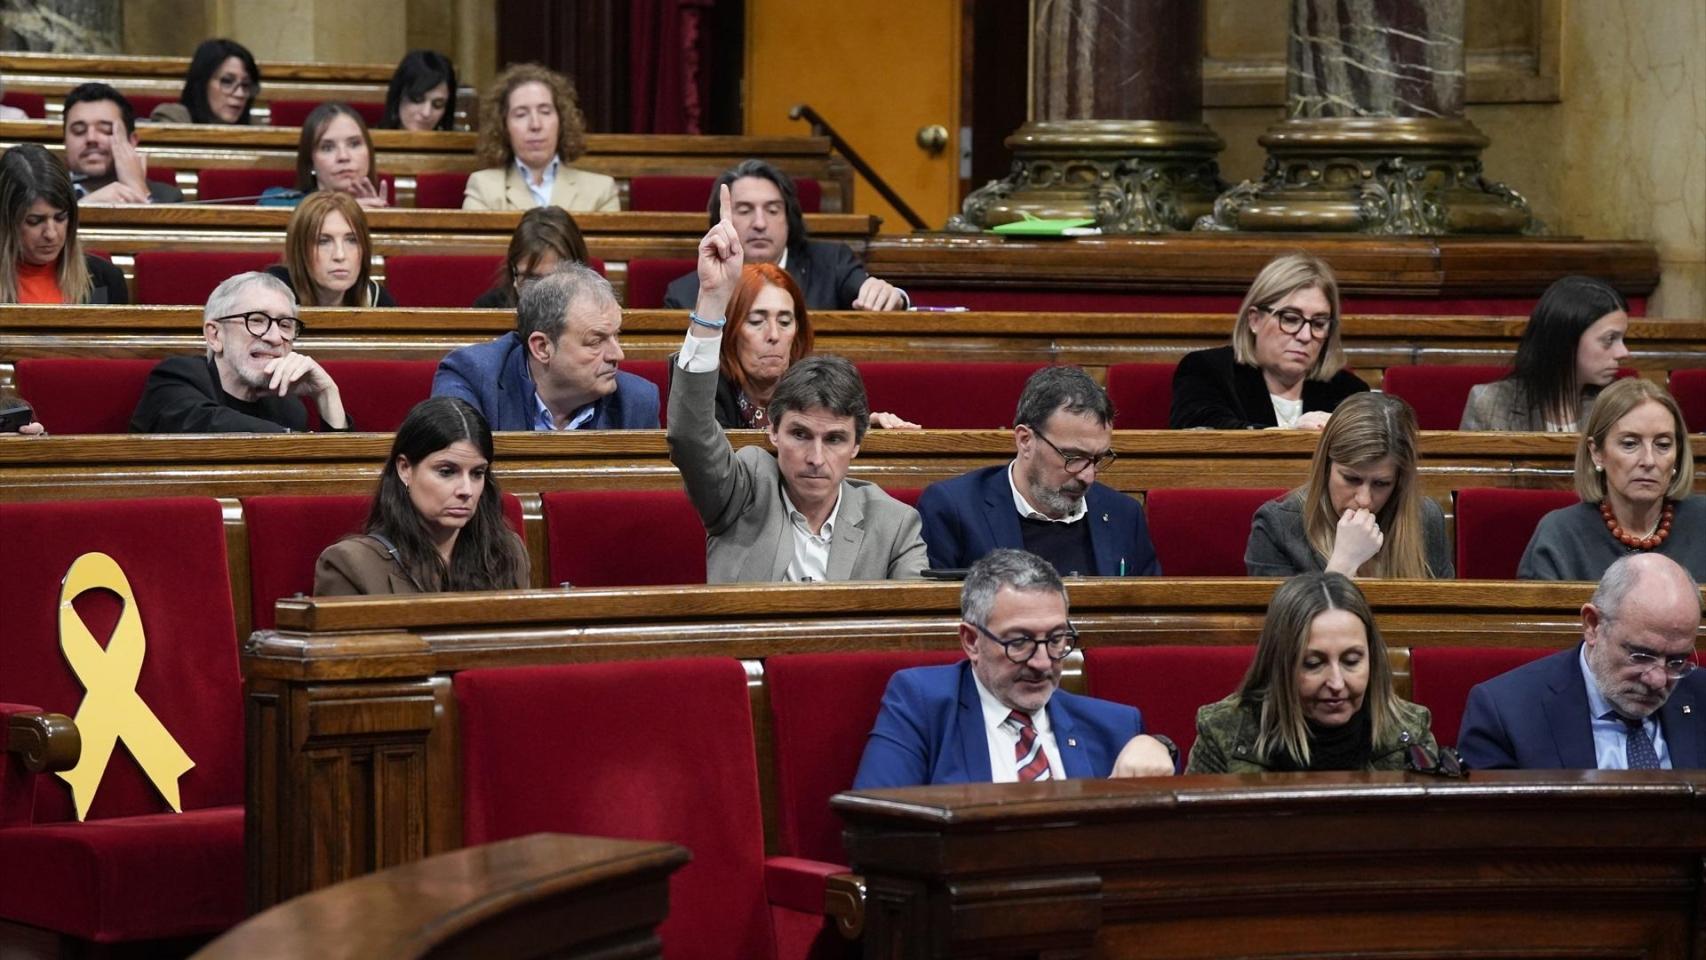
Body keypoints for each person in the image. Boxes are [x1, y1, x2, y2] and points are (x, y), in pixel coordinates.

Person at [669, 184, 926, 582]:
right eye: (800, 435)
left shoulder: (895, 525)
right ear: (772, 430)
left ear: (857, 444)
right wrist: (713, 299)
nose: (815, 458)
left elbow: (909, 618)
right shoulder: (744, 492)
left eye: (835, 439)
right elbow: (690, 435)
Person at [853, 549, 1178, 787]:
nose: (1042, 662)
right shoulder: (922, 705)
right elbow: (877, 828)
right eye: (1020, 642)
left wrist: (1160, 746)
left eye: (1056, 639)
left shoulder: (1115, 727)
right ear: (971, 641)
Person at [1458, 553, 1703, 770]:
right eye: (1641, 655)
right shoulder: (1505, 713)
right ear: (1593, 625)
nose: (1658, 680)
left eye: (1676, 661)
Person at [1187, 572, 1442, 773]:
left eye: (1351, 661)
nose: (1336, 683)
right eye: (1313, 663)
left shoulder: (1408, 733)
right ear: (1280, 665)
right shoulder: (1223, 733)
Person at [918, 366, 1160, 577]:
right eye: (1074, 457)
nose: (1088, 476)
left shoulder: (1123, 515)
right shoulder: (954, 510)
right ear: (1025, 440)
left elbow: (1149, 609)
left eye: (1098, 458)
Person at [315, 397, 530, 595]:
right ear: (405, 469)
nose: (467, 490)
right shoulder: (350, 565)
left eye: (477, 473)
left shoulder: (507, 553)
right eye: (446, 472)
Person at [683, 262, 918, 430]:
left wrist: (861, 430)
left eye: (785, 322)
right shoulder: (707, 389)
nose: (774, 335)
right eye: (756, 321)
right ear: (731, 330)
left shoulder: (822, 384)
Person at [1246, 392, 1453, 578]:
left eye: (1381, 483)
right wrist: (1343, 564)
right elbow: (1282, 611)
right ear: (1326, 467)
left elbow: (1444, 608)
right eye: (1351, 479)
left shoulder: (1425, 518)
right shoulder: (1277, 526)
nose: (1364, 500)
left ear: (1399, 481)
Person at [662, 159, 908, 311]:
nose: (760, 223)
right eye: (745, 210)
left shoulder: (832, 264)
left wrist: (893, 297)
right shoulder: (685, 294)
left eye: (772, 210)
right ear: (721, 221)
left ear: (789, 218)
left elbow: (874, 295)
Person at [433, 263, 658, 430]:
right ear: (542, 348)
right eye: (596, 341)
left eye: (616, 336)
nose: (618, 354)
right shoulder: (472, 378)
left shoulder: (636, 401)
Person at [1517, 378, 1703, 580]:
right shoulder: (1560, 534)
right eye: (1630, 444)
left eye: (1663, 445)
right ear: (1597, 453)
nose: (1649, 460)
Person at [130, 271, 351, 433]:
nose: (275, 337)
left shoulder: (288, 407)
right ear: (215, 335)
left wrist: (327, 394)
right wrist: (294, 440)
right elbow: (206, 427)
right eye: (256, 320)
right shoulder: (176, 378)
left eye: (285, 325)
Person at [1170, 252, 1368, 429]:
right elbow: (1204, 432)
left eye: (1318, 323)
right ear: (1255, 320)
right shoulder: (1208, 371)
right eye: (1290, 319)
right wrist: (1291, 435)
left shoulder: (1349, 392)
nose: (1305, 336)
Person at [1461, 276, 1630, 431]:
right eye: (1610, 339)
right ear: (1566, 340)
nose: (1623, 352)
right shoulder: (1489, 404)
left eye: (1622, 339)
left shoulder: (1622, 404)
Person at [462, 63, 618, 213]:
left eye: (545, 112)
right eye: (521, 114)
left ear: (562, 121)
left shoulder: (600, 190)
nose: (535, 125)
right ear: (503, 126)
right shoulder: (484, 187)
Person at [0, 144, 128, 304]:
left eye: (60, 218)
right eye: (34, 221)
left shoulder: (107, 279)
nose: (51, 234)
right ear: (6, 221)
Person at [266, 191, 395, 307]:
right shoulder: (270, 296)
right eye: (323, 242)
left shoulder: (375, 298)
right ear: (300, 249)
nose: (340, 255)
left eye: (352, 240)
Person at [62, 83, 184, 204]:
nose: (91, 138)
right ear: (65, 141)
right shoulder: (50, 195)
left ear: (131, 142)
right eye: (78, 130)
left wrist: (138, 190)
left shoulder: (168, 197)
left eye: (106, 130)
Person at [261, 102, 387, 208]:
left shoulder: (383, 212)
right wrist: (342, 209)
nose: (343, 156)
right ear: (311, 162)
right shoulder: (279, 202)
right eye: (327, 148)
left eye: (354, 144)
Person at [472, 206, 589, 309]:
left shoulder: (598, 310)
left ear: (579, 273)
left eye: (554, 280)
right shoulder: (489, 309)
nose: (542, 295)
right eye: (530, 279)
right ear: (514, 272)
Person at [173, 39, 260, 125]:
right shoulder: (173, 120)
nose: (240, 94)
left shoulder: (257, 129)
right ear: (202, 84)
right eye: (227, 81)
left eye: (245, 85)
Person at [382, 50, 457, 132]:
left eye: (438, 104)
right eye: (417, 99)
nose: (426, 113)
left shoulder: (460, 139)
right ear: (398, 96)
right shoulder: (373, 139)